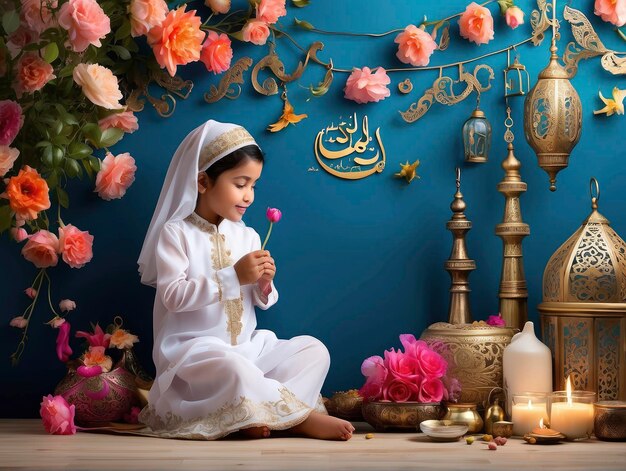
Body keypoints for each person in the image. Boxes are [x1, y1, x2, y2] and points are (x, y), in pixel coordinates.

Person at [137, 120, 354, 440]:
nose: (249, 196)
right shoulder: (176, 233)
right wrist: (234, 275)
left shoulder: (248, 235)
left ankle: (256, 414)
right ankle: (298, 419)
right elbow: (174, 297)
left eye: (253, 185)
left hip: (249, 349)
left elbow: (257, 298)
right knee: (234, 369)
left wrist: (263, 285)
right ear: (202, 181)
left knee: (313, 350)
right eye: (240, 183)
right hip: (197, 354)